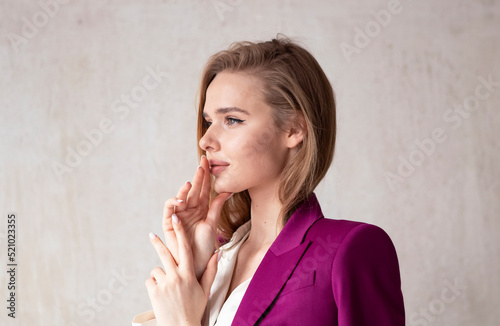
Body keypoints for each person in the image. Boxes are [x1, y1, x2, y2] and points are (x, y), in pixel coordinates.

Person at [132, 35, 405, 326]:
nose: (205, 140)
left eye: (233, 120)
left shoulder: (351, 248)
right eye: (209, 121)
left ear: (293, 129)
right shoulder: (215, 255)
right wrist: (191, 270)